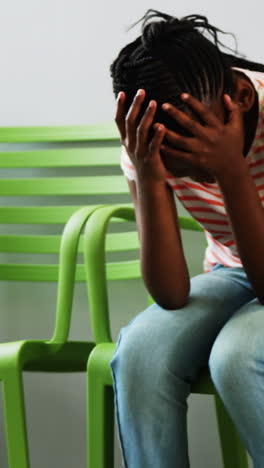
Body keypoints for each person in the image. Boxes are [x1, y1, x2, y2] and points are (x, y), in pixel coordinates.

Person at [109, 9, 264, 468]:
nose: (192, 172)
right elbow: (172, 294)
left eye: (196, 159)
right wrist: (150, 175)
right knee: (140, 352)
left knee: (238, 357)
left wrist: (231, 172)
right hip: (235, 270)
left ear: (239, 97)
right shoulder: (148, 141)